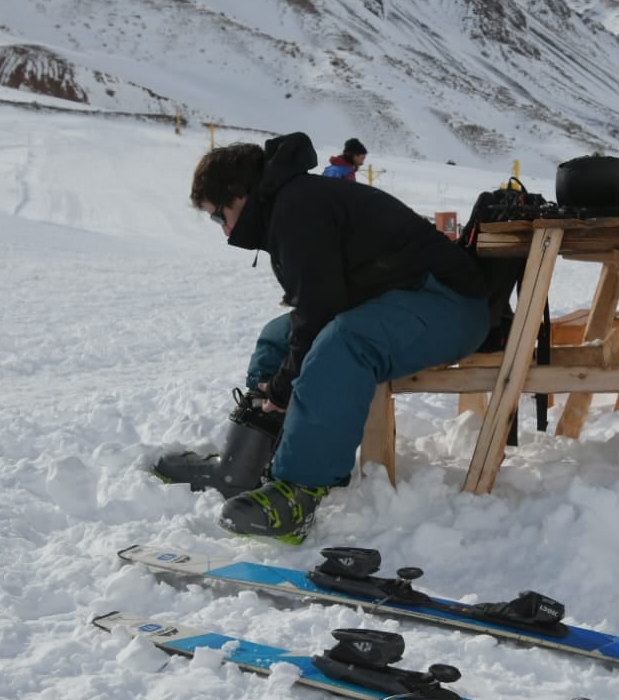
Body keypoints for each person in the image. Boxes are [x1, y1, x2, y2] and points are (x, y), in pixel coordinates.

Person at [185, 132, 489, 543]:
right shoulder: (290, 203)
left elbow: (318, 314)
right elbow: (308, 314)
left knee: (343, 344)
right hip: (404, 297)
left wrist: (281, 388)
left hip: (450, 304)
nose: (223, 231)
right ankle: (248, 460)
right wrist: (278, 386)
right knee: (278, 338)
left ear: (240, 194)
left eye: (218, 216)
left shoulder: (297, 207)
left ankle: (298, 493)